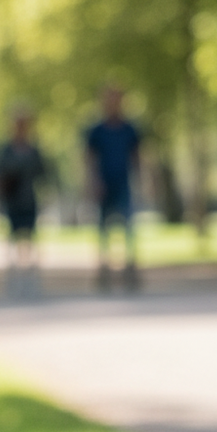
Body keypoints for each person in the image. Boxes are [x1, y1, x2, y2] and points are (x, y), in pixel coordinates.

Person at [85, 86, 142, 290]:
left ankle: (130, 271)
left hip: (123, 184)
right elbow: (90, 159)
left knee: (128, 229)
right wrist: (93, 182)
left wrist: (142, 180)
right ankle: (104, 271)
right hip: (104, 185)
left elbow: (136, 157)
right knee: (103, 230)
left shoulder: (129, 129)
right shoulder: (96, 131)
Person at [0, 109, 47, 296]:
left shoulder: (34, 150)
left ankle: (30, 278)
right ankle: (13, 279)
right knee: (12, 239)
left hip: (29, 199)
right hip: (12, 200)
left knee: (30, 239)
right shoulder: (5, 151)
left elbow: (42, 173)